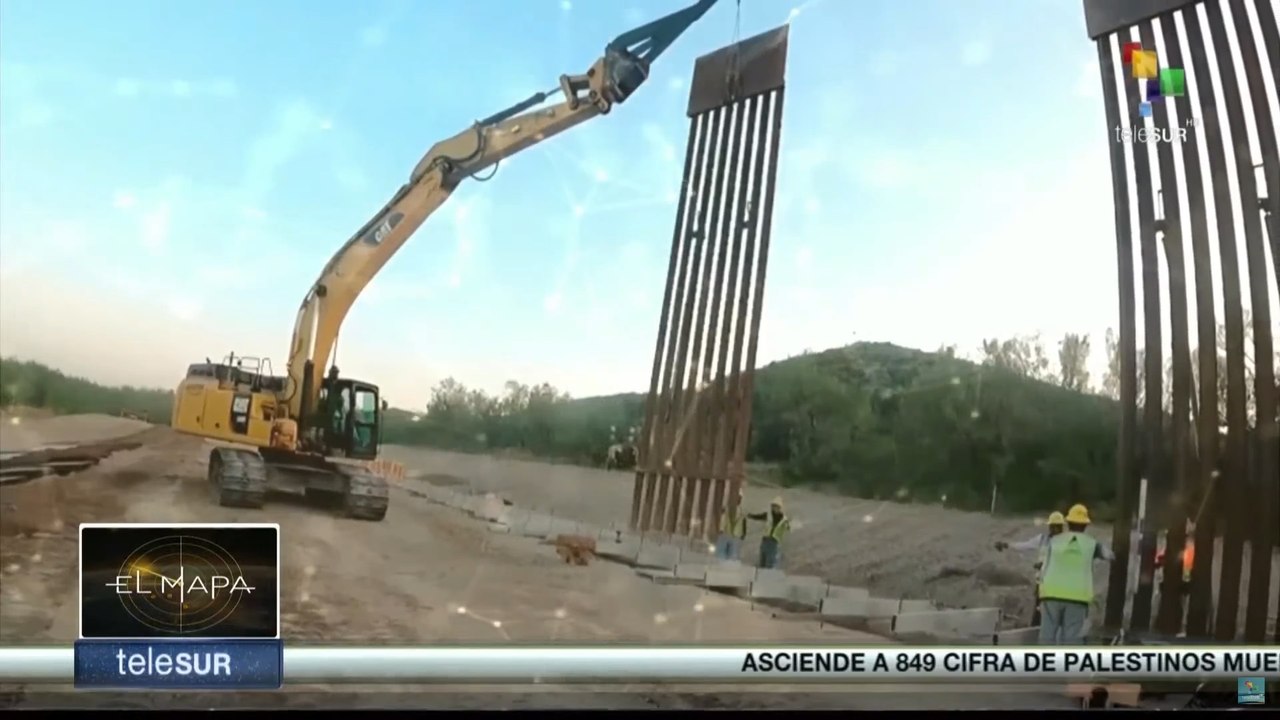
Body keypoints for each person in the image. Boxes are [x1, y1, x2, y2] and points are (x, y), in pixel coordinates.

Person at [1038, 503, 1114, 645]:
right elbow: (1110, 556)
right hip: (1077, 598)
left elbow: (1045, 565)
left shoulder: (1054, 541)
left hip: (1050, 594)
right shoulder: (1092, 544)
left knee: (1047, 636)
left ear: (1068, 523)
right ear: (1085, 525)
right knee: (1072, 638)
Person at [995, 511, 1065, 625]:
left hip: (1057, 584)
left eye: (1057, 527)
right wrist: (1007, 545)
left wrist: (1045, 564)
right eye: (1053, 527)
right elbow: (1025, 545)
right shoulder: (1042, 539)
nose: (1054, 529)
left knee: (1052, 613)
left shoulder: (1066, 543)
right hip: (1042, 582)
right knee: (1038, 611)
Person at [747, 496, 791, 569]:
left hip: (774, 542)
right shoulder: (768, 515)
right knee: (762, 561)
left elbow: (789, 528)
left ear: (780, 508)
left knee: (771, 563)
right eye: (773, 506)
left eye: (776, 506)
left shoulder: (784, 519)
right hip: (765, 540)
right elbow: (758, 516)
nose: (774, 508)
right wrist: (750, 516)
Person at [714, 487, 749, 561]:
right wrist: (720, 529)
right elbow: (721, 520)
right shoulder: (725, 508)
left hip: (735, 536)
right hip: (725, 534)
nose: (737, 499)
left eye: (739, 498)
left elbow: (744, 523)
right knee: (720, 556)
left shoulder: (742, 511)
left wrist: (743, 534)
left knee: (732, 557)